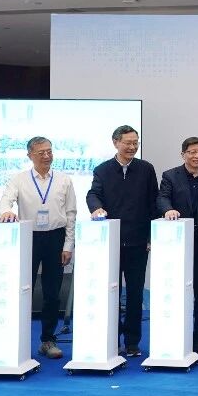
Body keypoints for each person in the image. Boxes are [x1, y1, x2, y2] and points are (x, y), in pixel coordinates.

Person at [0, 136, 78, 360]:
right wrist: (6, 211)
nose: (47, 156)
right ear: (30, 155)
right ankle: (17, 341)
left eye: (49, 151)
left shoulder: (64, 180)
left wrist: (68, 245)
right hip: (28, 237)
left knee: (52, 293)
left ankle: (48, 340)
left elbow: (71, 214)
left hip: (56, 238)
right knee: (23, 289)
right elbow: (5, 201)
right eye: (41, 152)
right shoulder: (20, 179)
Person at [86, 126, 158, 358]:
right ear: (115, 142)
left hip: (138, 241)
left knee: (135, 294)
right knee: (111, 293)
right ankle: (112, 340)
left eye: (135, 142)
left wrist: (151, 236)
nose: (132, 147)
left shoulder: (146, 169)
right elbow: (93, 194)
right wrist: (96, 208)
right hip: (111, 243)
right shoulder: (103, 170)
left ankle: (132, 342)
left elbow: (154, 203)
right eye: (128, 142)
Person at [156, 136, 198, 357]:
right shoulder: (170, 176)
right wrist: (168, 210)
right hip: (177, 244)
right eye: (192, 152)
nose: (196, 156)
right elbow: (162, 198)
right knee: (177, 290)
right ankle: (177, 335)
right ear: (183, 154)